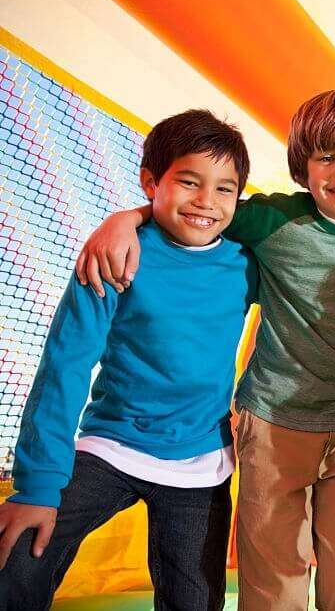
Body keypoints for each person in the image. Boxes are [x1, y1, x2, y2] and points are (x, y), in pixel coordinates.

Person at [72, 89, 335, 610]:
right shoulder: (274, 219)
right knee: (272, 575)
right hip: (274, 423)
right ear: (303, 168)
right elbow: (198, 210)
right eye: (327, 157)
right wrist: (127, 218)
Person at [0, 110, 258, 611]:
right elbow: (64, 367)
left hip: (199, 461)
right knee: (20, 552)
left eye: (224, 189)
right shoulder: (115, 255)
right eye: (188, 182)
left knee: (195, 600)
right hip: (112, 444)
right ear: (150, 182)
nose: (206, 200)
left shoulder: (246, 264)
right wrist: (36, 487)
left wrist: (130, 213)